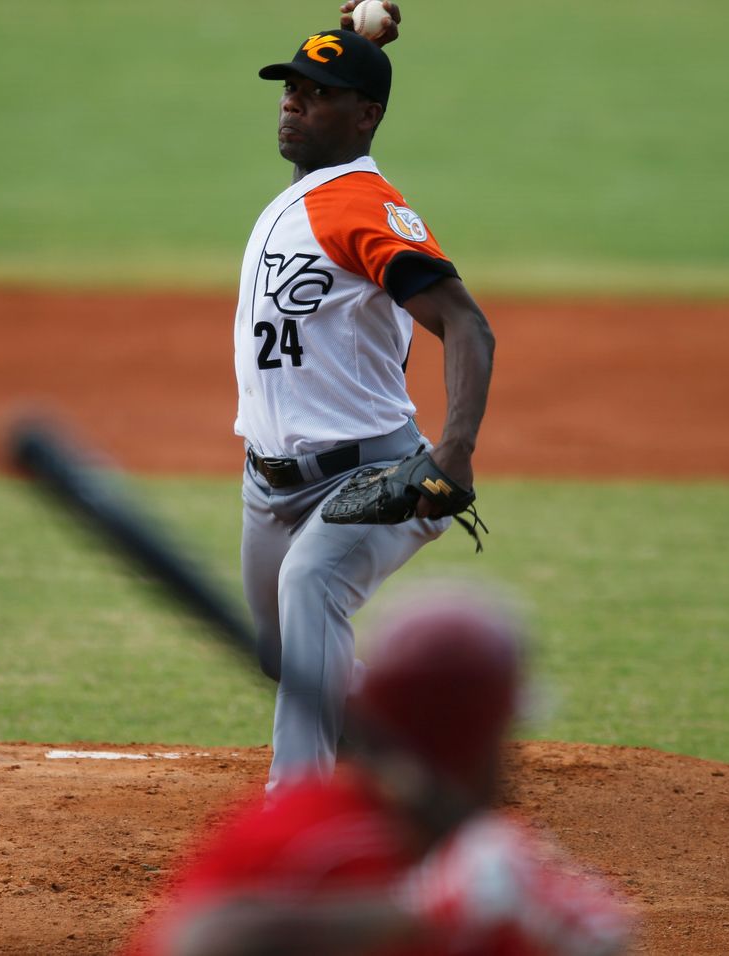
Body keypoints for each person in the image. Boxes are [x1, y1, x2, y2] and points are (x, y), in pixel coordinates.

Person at [235, 2, 495, 793]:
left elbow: (467, 325)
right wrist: (353, 44)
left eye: (315, 95)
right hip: (269, 484)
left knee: (312, 586)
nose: (292, 103)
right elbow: (326, 124)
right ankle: (412, 749)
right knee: (291, 655)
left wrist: (453, 453)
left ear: (366, 115)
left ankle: (297, 817)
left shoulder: (365, 208)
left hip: (370, 477)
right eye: (290, 89)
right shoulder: (306, 196)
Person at [118, 588, 633, 956]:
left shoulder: (488, 860)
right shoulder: (307, 834)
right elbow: (196, 940)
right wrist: (422, 914)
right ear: (477, 741)